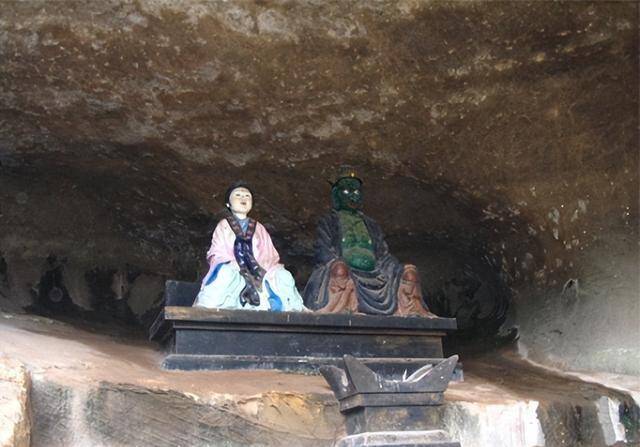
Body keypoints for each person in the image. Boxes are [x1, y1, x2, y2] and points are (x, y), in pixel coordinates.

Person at [303, 171, 434, 317]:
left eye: (357, 192)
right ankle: (344, 307)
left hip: (376, 274)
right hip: (348, 272)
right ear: (336, 194)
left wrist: (396, 269)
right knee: (340, 270)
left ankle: (410, 310)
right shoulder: (329, 222)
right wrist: (337, 262)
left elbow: (383, 255)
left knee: (410, 274)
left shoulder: (371, 225)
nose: (353, 196)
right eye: (346, 191)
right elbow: (322, 250)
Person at [193, 181, 306, 312]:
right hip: (234, 267)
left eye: (247, 196)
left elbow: (269, 254)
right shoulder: (224, 225)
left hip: (259, 269)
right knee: (226, 273)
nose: (243, 198)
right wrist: (231, 262)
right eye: (238, 195)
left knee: (284, 275)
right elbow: (217, 251)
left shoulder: (259, 228)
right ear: (228, 203)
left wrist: (260, 267)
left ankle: (288, 307)